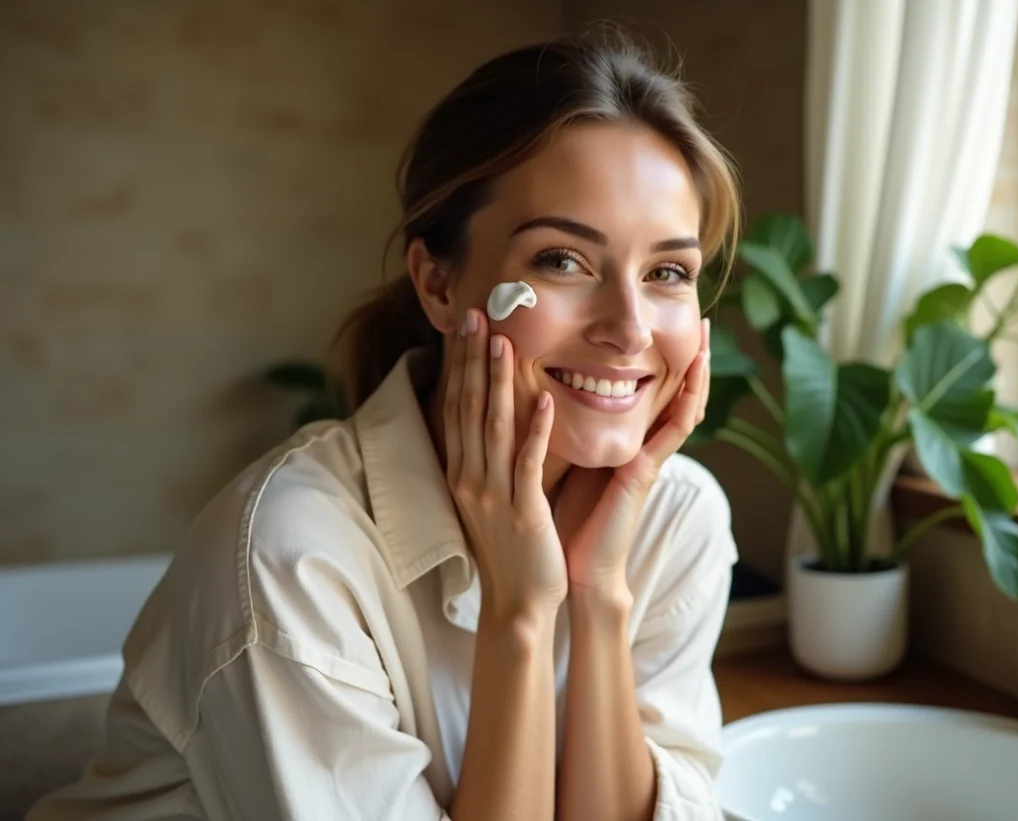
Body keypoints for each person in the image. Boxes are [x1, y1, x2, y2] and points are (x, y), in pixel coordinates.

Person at [29, 28, 741, 821]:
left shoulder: (677, 518)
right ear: (438, 282)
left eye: (668, 272)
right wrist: (520, 611)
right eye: (562, 261)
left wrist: (598, 594)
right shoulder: (290, 557)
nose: (632, 326)